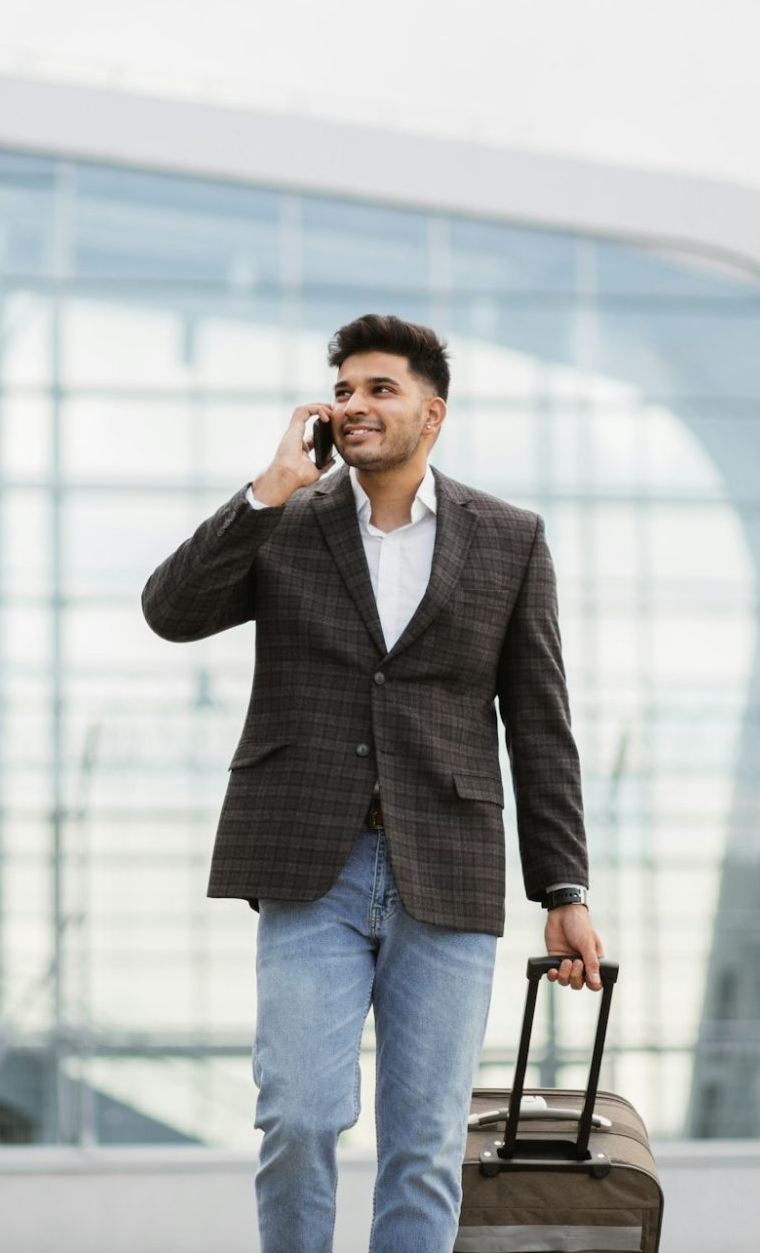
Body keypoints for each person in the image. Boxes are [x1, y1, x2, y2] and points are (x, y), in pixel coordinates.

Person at [142, 313, 604, 1253]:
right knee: (300, 1117)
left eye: (378, 390)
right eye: (343, 390)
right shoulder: (287, 523)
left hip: (450, 869)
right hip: (313, 864)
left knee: (424, 1149)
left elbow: (541, 724)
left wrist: (563, 889)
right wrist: (267, 490)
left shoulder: (510, 539)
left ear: (432, 414)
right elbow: (171, 612)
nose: (354, 406)